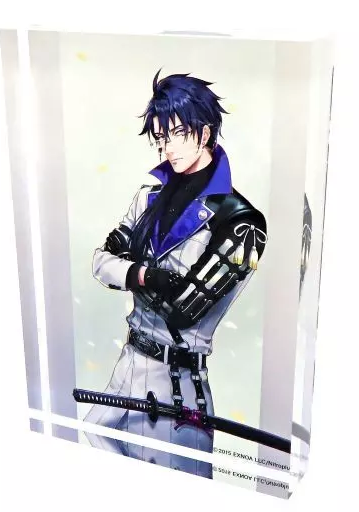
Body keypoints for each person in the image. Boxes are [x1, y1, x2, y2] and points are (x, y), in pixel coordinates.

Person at [83, 70, 268, 478]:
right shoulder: (148, 197)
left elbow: (184, 309)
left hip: (176, 384)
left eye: (178, 133)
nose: (167, 147)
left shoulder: (240, 222)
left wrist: (127, 270)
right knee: (94, 437)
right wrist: (144, 276)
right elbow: (99, 262)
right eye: (161, 137)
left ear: (205, 132)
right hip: (128, 365)